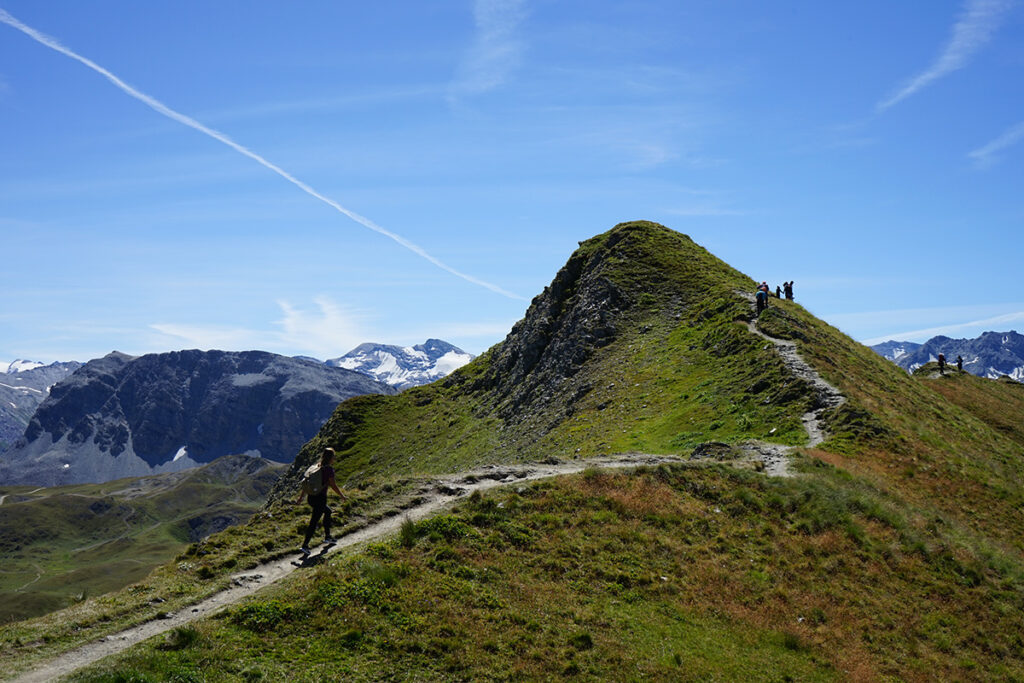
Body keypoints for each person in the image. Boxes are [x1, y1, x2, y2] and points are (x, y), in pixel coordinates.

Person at [296, 447, 346, 555]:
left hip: (311, 498)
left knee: (327, 512)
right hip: (320, 498)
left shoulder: (316, 467)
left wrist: (301, 498)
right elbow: (333, 485)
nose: (335, 459)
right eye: (334, 457)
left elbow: (306, 484)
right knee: (314, 522)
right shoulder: (328, 470)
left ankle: (328, 537)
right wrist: (342, 495)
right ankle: (305, 546)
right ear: (331, 458)